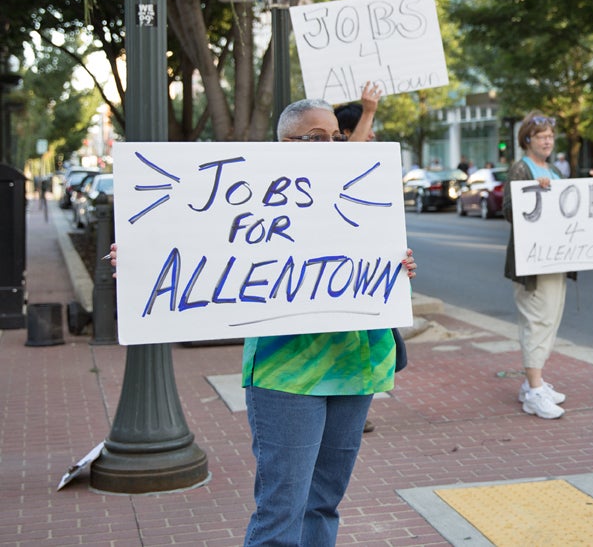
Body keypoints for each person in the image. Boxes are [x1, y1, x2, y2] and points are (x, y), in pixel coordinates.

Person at [112, 98, 419, 547]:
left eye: (336, 137)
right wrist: (142, 260)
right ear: (284, 143)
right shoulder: (254, 191)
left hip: (356, 365)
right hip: (287, 374)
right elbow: (197, 244)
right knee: (282, 510)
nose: (332, 146)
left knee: (323, 503)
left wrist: (400, 268)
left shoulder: (357, 190)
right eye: (317, 138)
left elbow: (373, 262)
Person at [502, 111, 593, 419]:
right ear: (527, 140)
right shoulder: (521, 169)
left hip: (555, 260)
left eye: (550, 136)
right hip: (534, 264)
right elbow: (510, 211)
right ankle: (534, 391)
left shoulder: (553, 170)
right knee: (537, 322)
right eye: (542, 136)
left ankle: (533, 383)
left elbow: (569, 204)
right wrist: (533, 191)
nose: (548, 141)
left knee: (549, 321)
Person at [334, 84, 407, 436]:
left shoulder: (372, 175)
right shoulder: (338, 170)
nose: (372, 138)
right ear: (344, 135)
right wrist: (368, 110)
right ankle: (349, 413)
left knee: (374, 348)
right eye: (366, 132)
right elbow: (349, 158)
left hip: (365, 276)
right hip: (343, 277)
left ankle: (354, 411)